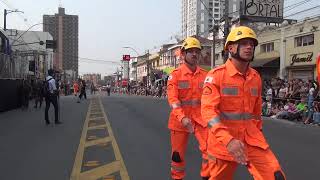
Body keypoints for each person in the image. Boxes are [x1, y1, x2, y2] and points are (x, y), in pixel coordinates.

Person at [201, 26, 285, 180]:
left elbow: (256, 112)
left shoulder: (255, 77)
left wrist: (258, 133)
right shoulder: (216, 76)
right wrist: (229, 140)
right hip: (223, 142)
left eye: (252, 44)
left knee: (276, 176)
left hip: (252, 140)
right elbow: (208, 112)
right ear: (231, 48)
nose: (249, 47)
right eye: (244, 43)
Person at [167, 37, 209, 180]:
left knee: (210, 151)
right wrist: (182, 117)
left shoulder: (206, 75)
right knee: (177, 156)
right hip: (179, 121)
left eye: (197, 51)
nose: (194, 54)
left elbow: (210, 99)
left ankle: (206, 176)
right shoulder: (175, 75)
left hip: (201, 120)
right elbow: (173, 100)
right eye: (190, 51)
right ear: (183, 54)